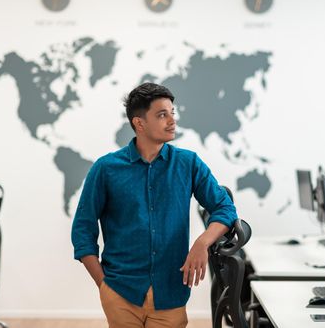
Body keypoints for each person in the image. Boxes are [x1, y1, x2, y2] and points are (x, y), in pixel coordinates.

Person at [71, 82, 238, 328]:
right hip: (120, 292)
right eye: (162, 115)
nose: (172, 121)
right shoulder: (106, 169)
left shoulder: (188, 163)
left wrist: (202, 243)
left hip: (170, 293)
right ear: (139, 123)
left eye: (172, 113)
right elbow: (82, 230)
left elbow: (225, 208)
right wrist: (103, 285)